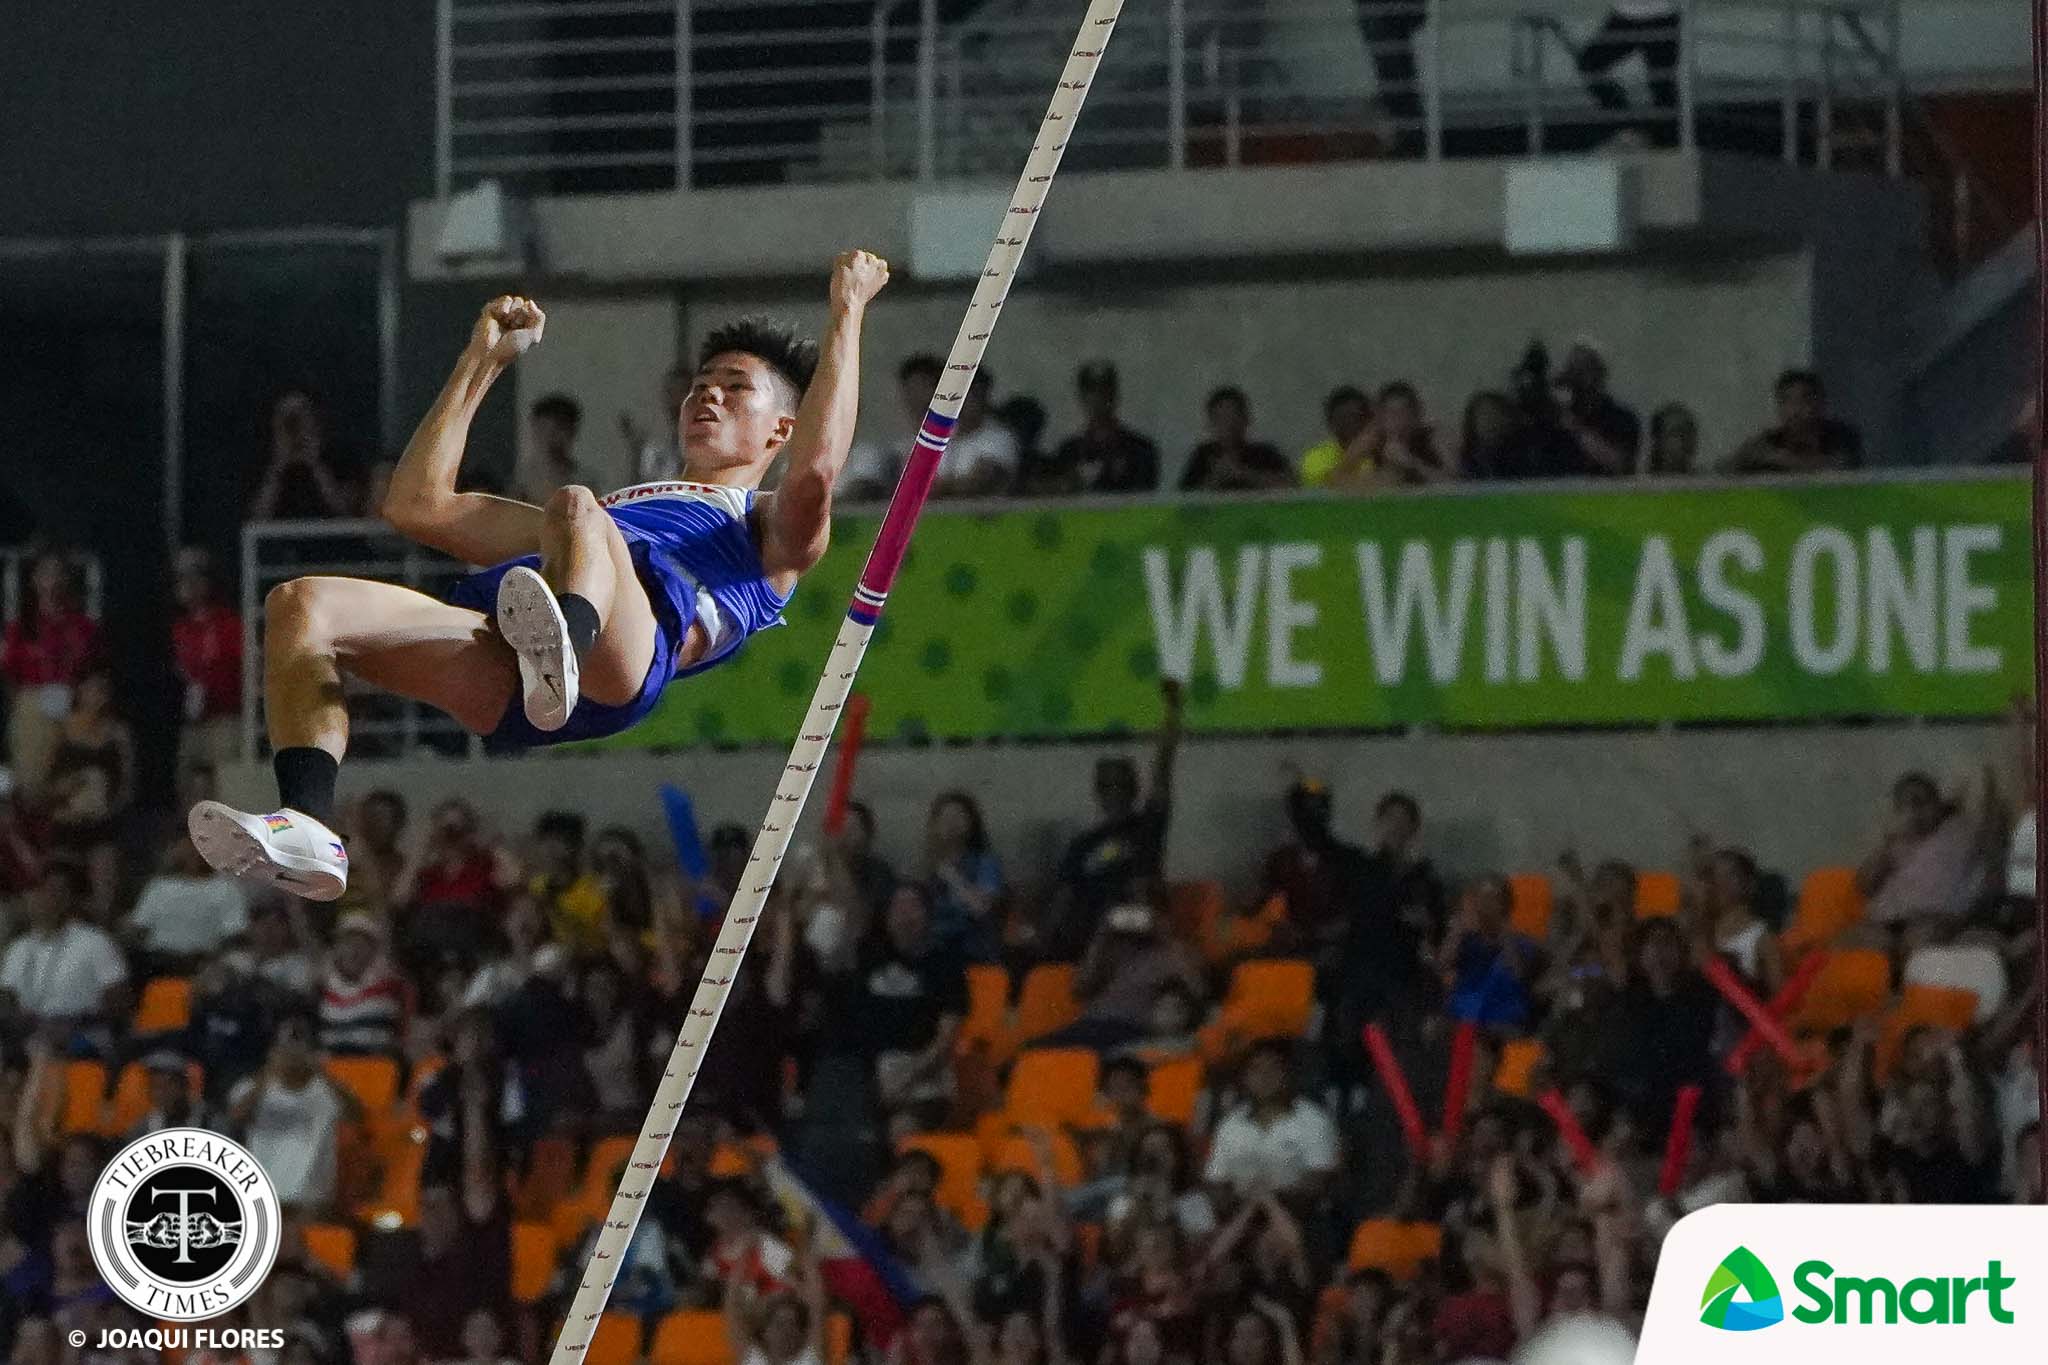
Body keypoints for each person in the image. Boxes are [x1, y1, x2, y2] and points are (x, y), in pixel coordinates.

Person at [189, 249, 892, 900]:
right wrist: (480, 362)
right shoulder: (600, 518)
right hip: (516, 657)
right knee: (301, 604)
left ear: (780, 430)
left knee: (577, 508)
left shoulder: (762, 526)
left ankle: (566, 645)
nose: (706, 397)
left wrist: (847, 313)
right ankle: (310, 824)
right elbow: (417, 504)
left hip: (625, 657)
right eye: (699, 387)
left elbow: (818, 474)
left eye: (735, 389)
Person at [1039, 680, 1183, 961]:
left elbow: (1163, 771)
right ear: (1097, 793)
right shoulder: (1083, 845)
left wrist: (1172, 714)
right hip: (1090, 928)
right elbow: (1064, 897)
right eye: (1106, 787)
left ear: (1135, 789)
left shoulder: (1147, 827)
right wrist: (1042, 936)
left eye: (1121, 785)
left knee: (1114, 921)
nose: (1114, 793)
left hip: (1139, 919)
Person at [227, 1013, 357, 1213]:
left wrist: (322, 1072)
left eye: (298, 1048)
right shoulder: (251, 1086)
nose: (292, 1055)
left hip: (312, 1198)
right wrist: (268, 1074)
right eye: (284, 1048)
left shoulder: (325, 1091)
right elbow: (236, 1117)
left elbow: (356, 1115)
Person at [0, 550, 100, 794]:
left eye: (58, 573)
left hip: (74, 706)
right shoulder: (21, 627)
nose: (53, 581)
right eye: (46, 574)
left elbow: (95, 671)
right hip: (34, 704)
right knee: (33, 782)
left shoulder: (84, 627)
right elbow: (8, 674)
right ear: (34, 580)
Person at [0, 863, 127, 1050]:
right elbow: (8, 996)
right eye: (37, 894)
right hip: (28, 1029)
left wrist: (80, 1022)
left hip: (81, 1030)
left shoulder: (95, 941)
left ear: (66, 900)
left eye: (51, 894)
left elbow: (118, 1000)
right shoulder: (19, 948)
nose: (42, 900)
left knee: (40, 1045)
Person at [40, 669, 132, 914]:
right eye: (93, 689)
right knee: (59, 877)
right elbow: (46, 784)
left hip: (102, 820)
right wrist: (66, 792)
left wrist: (107, 810)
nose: (98, 696)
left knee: (104, 871)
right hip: (67, 817)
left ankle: (101, 926)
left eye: (103, 690)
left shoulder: (117, 733)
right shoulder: (62, 731)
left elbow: (126, 784)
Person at [170, 546, 244, 770]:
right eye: (182, 578)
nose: (188, 584)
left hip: (224, 719)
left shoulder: (230, 624)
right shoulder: (179, 629)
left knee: (221, 791)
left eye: (195, 576)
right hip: (192, 721)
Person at [1044, 362, 1162, 494]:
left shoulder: (1141, 451)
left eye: (1105, 391)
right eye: (1092, 391)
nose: (1099, 398)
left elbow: (1144, 497)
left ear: (1115, 395)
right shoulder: (1069, 452)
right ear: (1082, 398)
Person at [248, 387, 361, 521]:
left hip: (331, 539)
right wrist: (278, 466)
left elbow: (346, 510)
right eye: (286, 416)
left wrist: (316, 464)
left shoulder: (341, 456)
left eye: (301, 414)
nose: (294, 424)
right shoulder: (262, 462)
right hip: (279, 540)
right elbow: (257, 517)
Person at [843, 353, 943, 501]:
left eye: (924, 386)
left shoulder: (964, 440)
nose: (917, 396)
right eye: (912, 389)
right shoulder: (901, 448)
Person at [1725, 369, 1864, 474]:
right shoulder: (1770, 440)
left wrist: (1782, 460)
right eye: (1787, 401)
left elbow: (1842, 467)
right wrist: (1747, 458)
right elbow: (1725, 470)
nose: (1795, 410)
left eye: (1805, 400)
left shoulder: (1842, 436)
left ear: (1821, 403)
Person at [1575, 0, 1680, 138]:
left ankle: (1668, 137)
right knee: (1590, 64)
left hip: (1661, 15)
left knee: (1662, 83)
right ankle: (1624, 122)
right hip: (1626, 15)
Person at [1325, 383, 1449, 489]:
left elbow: (1457, 484)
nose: (1397, 423)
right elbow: (1336, 477)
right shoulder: (1372, 439)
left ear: (1417, 416)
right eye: (1389, 414)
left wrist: (1413, 464)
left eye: (1403, 414)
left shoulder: (1432, 438)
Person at [1179, 389, 1294, 492]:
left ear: (1246, 419)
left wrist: (1242, 473)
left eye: (1234, 416)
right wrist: (1216, 479)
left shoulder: (1265, 453)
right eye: (1221, 418)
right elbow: (1184, 502)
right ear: (1210, 423)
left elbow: (1292, 488)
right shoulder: (1202, 455)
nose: (1229, 424)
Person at [932, 371, 1020, 498]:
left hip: (985, 515)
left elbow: (978, 484)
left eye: (971, 395)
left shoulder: (999, 438)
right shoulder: (937, 436)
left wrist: (937, 487)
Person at [619, 361, 692, 484]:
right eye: (671, 393)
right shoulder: (655, 453)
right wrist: (636, 453)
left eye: (682, 391)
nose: (676, 400)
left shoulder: (709, 448)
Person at [515, 393, 593, 504]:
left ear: (572, 432)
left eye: (557, 429)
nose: (549, 438)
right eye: (542, 429)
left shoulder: (584, 484)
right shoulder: (522, 480)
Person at [1298, 387, 1371, 489]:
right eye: (1344, 417)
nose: (1351, 423)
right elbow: (1326, 489)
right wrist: (1354, 454)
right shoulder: (1315, 457)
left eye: (1357, 417)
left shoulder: (1379, 454)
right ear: (1331, 422)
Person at [1643, 402, 1698, 475]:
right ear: (1657, 440)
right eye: (1676, 432)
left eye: (1689, 432)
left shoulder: (1707, 481)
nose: (1686, 438)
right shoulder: (1637, 483)